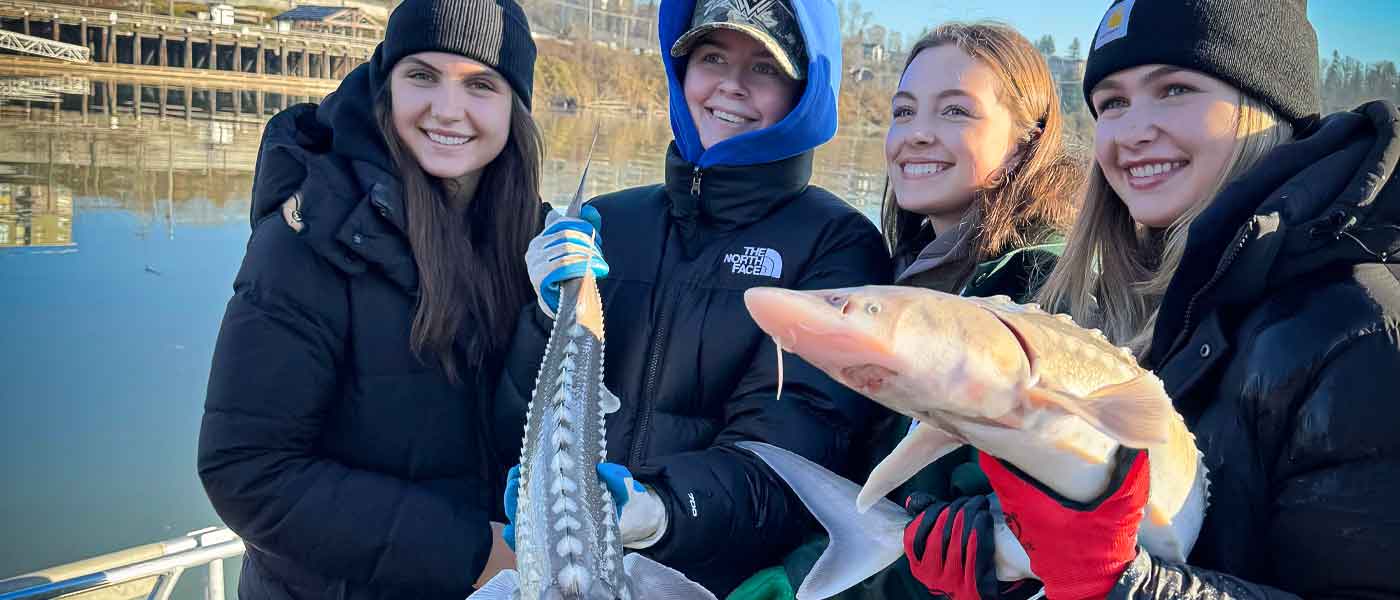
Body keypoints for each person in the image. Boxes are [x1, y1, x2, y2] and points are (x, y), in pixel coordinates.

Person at [903, 1, 1400, 598]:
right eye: (1112, 102)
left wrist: (1117, 581)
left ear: (1267, 107)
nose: (1134, 131)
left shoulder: (1361, 327)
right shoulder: (1132, 306)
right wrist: (1014, 562)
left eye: (1175, 89)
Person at [495, 0, 892, 596]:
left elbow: (795, 457)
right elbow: (511, 420)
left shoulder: (838, 245)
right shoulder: (612, 219)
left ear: (804, 91)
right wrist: (541, 318)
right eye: (711, 57)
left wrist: (661, 512)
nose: (730, 86)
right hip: (563, 565)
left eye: (764, 67)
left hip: (722, 583)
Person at [197, 0, 542, 597]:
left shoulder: (522, 239)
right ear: (386, 86)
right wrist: (472, 552)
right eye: (422, 75)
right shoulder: (309, 236)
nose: (447, 109)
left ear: (515, 108)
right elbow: (248, 471)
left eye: (481, 85)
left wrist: (555, 316)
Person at [729, 21, 1081, 600]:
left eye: (955, 112)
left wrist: (794, 584)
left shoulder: (1035, 295)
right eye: (903, 112)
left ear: (1025, 140)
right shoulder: (902, 273)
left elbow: (959, 517)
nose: (916, 135)